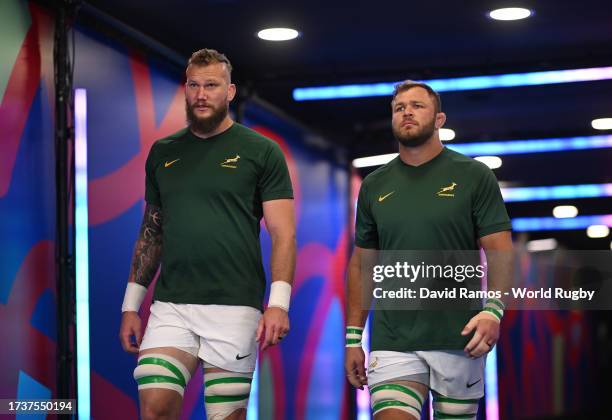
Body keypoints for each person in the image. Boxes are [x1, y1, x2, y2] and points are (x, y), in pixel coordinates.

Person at [119, 48, 296, 420]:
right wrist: (131, 306)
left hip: (235, 307)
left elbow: (283, 233)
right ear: (185, 89)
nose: (201, 94)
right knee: (154, 409)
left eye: (211, 85)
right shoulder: (163, 153)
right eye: (194, 85)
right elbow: (151, 232)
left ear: (229, 92)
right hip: (172, 308)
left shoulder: (262, 151)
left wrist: (279, 303)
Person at [345, 81, 513, 420]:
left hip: (459, 336)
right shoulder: (374, 185)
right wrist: (352, 338)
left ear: (439, 119)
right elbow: (363, 265)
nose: (406, 111)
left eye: (417, 105)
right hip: (393, 337)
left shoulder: (474, 175)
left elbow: (500, 250)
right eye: (399, 107)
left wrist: (494, 310)